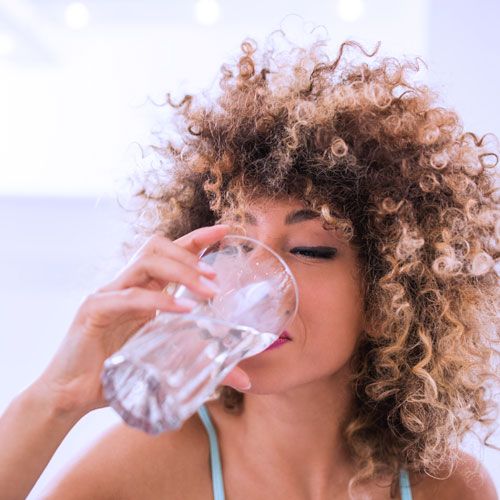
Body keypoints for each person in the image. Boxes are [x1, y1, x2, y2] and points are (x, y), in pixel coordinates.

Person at [1, 36, 498, 500]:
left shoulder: (451, 487)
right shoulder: (146, 469)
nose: (254, 279)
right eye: (236, 244)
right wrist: (55, 400)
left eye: (308, 249)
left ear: (389, 301)